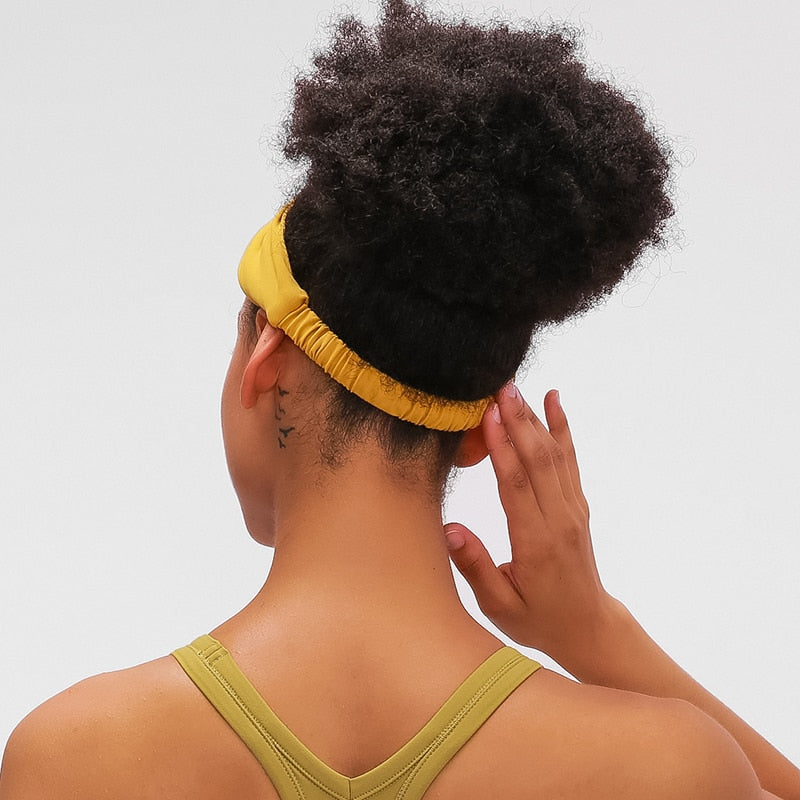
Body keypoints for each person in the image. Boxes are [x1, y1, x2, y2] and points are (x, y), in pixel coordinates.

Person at [1, 1, 798, 798]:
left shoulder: (72, 756)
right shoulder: (668, 769)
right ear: (479, 434)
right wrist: (597, 637)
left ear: (268, 360)